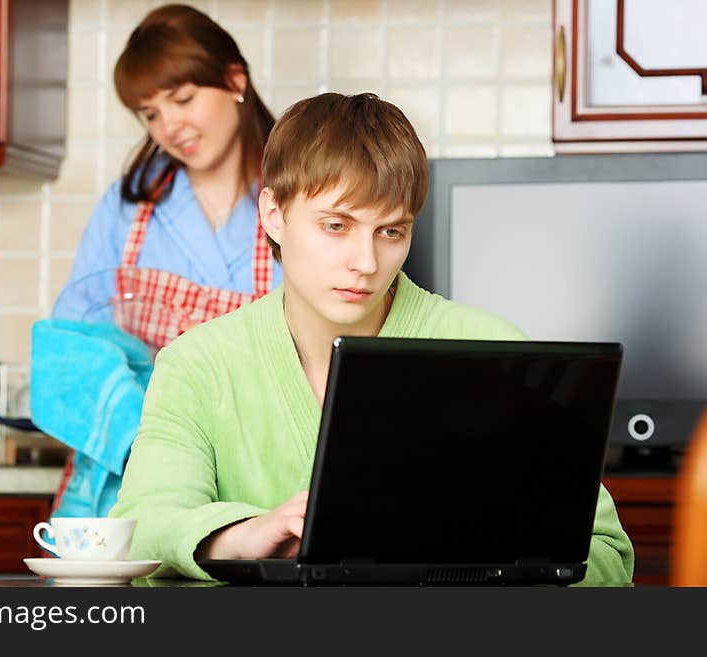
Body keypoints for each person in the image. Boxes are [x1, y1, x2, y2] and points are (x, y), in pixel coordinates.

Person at [110, 92, 635, 586]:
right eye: (337, 226)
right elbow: (144, 524)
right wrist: (244, 535)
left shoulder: (496, 350)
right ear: (274, 214)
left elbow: (607, 553)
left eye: (391, 231)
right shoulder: (197, 363)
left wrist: (469, 563)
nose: (365, 263)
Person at [41, 4, 282, 519]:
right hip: (130, 486)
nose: (170, 125)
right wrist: (149, 450)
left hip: (265, 489)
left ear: (235, 80)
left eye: (183, 98)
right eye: (151, 113)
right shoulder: (126, 210)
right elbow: (70, 353)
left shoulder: (303, 200)